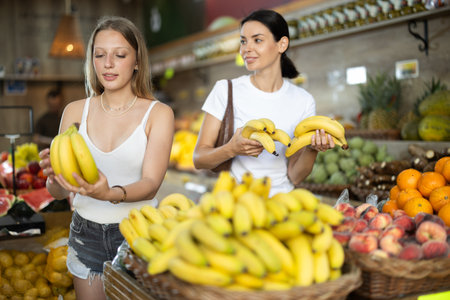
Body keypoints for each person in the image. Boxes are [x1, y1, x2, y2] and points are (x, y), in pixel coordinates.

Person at [39, 16, 174, 300]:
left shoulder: (158, 114)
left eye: (119, 55)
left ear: (137, 61)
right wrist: (54, 179)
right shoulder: (75, 111)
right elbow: (60, 191)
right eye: (100, 55)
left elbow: (151, 183)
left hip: (138, 234)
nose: (108, 64)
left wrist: (109, 193)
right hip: (85, 231)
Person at [193, 9, 334, 196]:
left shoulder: (303, 101)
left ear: (282, 44)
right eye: (243, 41)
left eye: (257, 40)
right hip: (237, 201)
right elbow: (199, 159)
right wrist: (231, 149)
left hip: (282, 203)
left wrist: (312, 149)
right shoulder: (225, 90)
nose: (246, 49)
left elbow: (296, 176)